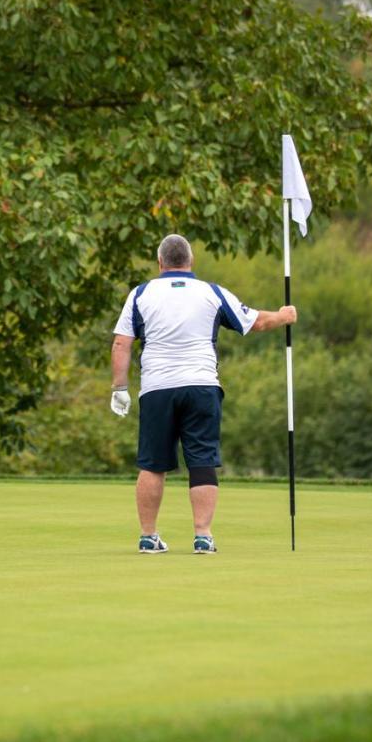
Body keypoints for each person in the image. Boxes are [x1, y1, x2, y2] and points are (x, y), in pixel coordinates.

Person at [110, 234, 296, 554]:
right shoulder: (211, 292)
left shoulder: (140, 294)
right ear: (190, 261)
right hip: (201, 386)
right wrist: (284, 316)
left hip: (157, 389)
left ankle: (148, 536)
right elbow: (256, 323)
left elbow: (121, 343)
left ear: (160, 262)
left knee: (153, 463)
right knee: (202, 460)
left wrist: (120, 388)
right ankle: (203, 536)